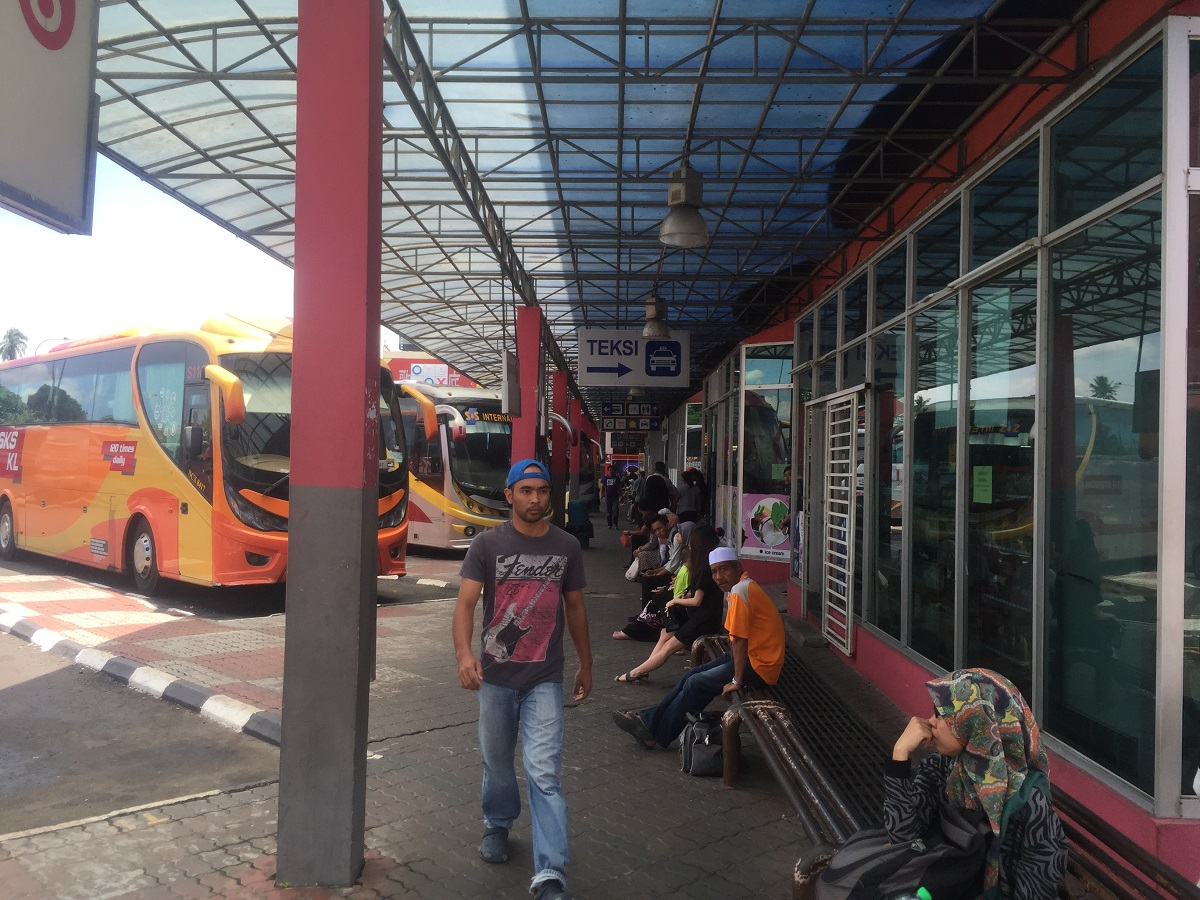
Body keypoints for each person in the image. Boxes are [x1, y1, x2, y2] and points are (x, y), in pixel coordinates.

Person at [453, 458, 593, 900]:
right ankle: (497, 824)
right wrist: (462, 654)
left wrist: (586, 663)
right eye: (527, 490)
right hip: (495, 677)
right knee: (497, 765)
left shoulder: (567, 546)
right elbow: (465, 605)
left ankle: (550, 871)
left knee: (544, 772)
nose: (536, 499)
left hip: (545, 679)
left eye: (543, 491)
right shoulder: (487, 545)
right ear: (510, 494)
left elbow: (574, 608)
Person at [887, 668, 1067, 899]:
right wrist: (899, 755)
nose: (930, 722)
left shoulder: (1029, 805)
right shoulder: (942, 768)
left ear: (976, 724)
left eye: (941, 714)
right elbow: (902, 838)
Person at [611, 547, 785, 749]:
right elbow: (738, 641)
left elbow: (739, 641)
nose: (718, 577)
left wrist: (737, 680)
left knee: (696, 683)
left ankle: (656, 733)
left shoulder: (740, 591)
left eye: (724, 570)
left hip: (759, 664)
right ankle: (648, 721)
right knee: (691, 676)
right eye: (714, 572)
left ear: (738, 568)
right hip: (751, 656)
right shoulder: (741, 587)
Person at [614, 524, 723, 683]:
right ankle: (644, 669)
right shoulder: (706, 567)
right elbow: (702, 594)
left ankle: (636, 672)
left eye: (692, 544)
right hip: (700, 616)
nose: (689, 547)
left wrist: (675, 600)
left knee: (668, 647)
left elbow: (697, 600)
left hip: (702, 621)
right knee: (665, 633)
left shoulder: (704, 570)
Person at [600, 463, 621, 529]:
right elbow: (602, 487)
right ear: (608, 471)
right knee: (609, 511)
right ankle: (609, 524)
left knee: (615, 510)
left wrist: (621, 495)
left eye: (613, 470)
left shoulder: (617, 478)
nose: (612, 471)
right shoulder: (605, 478)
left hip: (615, 496)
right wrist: (601, 494)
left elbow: (619, 487)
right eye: (610, 470)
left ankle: (615, 523)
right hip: (608, 496)